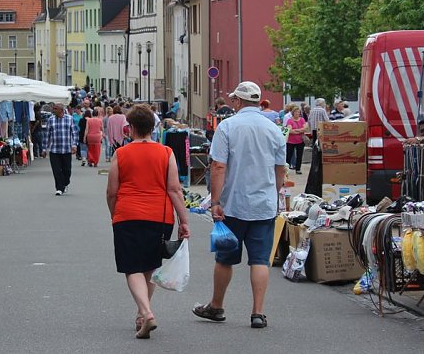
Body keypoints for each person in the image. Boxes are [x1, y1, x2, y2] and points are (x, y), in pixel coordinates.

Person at [193, 81, 286, 330]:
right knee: (260, 260)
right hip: (264, 205)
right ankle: (258, 313)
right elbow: (280, 168)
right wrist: (274, 194)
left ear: (237, 102)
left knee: (225, 259)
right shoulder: (275, 129)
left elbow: (218, 166)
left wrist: (215, 201)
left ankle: (216, 306)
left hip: (233, 204)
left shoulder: (228, 127)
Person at [106, 104, 190, 339]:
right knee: (150, 267)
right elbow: (174, 189)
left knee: (132, 267)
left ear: (130, 128)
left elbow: (112, 191)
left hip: (128, 215)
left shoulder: (121, 154)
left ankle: (146, 312)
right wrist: (184, 221)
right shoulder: (166, 153)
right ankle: (142, 315)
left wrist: (115, 215)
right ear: (153, 128)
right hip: (160, 217)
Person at [46, 104, 78, 195]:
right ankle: (59, 188)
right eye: (53, 108)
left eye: (55, 109)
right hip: (54, 150)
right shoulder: (50, 120)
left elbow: (74, 133)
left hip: (66, 149)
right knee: (56, 170)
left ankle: (65, 182)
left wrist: (74, 145)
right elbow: (47, 135)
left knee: (67, 170)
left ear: (61, 110)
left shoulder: (69, 119)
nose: (53, 110)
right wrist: (44, 149)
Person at [285, 106, 308, 173]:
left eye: (298, 112)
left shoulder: (302, 120)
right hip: (291, 141)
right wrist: (300, 130)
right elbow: (290, 130)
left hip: (300, 141)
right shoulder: (290, 120)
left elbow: (305, 128)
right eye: (296, 112)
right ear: (293, 113)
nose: (297, 113)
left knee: (299, 156)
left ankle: (298, 169)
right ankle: (286, 169)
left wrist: (296, 130)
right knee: (288, 156)